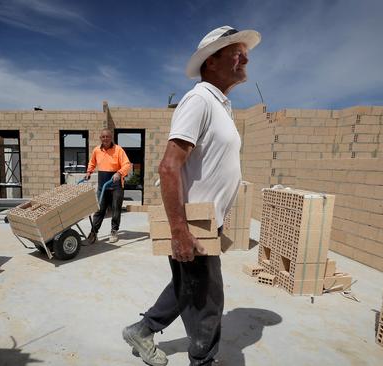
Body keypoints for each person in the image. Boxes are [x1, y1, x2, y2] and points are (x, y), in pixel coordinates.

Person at [122, 25, 261, 366]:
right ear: (211, 62)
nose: (245, 57)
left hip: (204, 223)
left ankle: (142, 330)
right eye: (236, 52)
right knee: (208, 300)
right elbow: (169, 167)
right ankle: (203, 359)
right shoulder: (199, 100)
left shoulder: (220, 106)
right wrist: (180, 229)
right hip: (191, 223)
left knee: (188, 287)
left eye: (245, 52)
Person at [84, 128, 132, 244]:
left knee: (116, 209)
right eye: (103, 137)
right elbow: (92, 162)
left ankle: (114, 231)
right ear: (100, 138)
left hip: (116, 184)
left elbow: (127, 164)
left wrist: (119, 173)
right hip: (102, 185)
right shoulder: (97, 150)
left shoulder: (118, 150)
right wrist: (89, 172)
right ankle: (93, 233)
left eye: (108, 137)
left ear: (111, 138)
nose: (105, 139)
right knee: (99, 210)